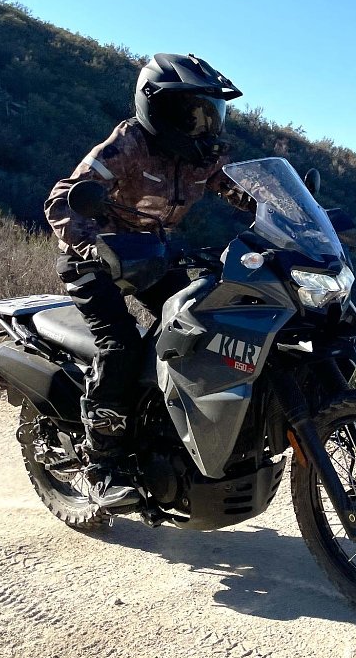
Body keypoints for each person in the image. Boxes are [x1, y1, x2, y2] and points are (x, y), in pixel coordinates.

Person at [44, 53, 251, 508]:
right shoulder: (127, 146)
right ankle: (101, 463)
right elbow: (61, 201)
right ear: (157, 108)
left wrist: (285, 214)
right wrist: (92, 244)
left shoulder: (202, 157)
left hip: (153, 258)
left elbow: (242, 193)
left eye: (210, 113)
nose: (204, 125)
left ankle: (171, 427)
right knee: (122, 346)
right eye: (192, 113)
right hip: (94, 262)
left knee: (200, 329)